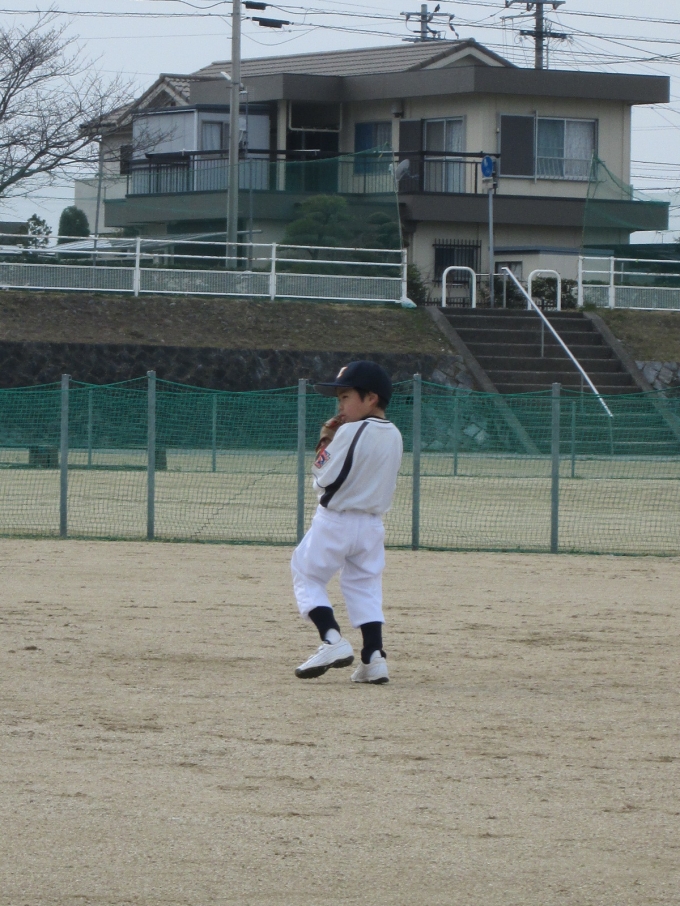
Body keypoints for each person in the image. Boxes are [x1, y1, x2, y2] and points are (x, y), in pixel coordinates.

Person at [291, 361, 403, 684]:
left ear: (371, 398)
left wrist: (325, 444)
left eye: (345, 397)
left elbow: (323, 478)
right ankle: (373, 657)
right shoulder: (395, 434)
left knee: (306, 573)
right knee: (364, 586)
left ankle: (332, 640)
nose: (339, 405)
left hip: (336, 520)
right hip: (372, 525)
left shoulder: (350, 431)